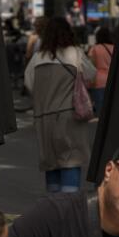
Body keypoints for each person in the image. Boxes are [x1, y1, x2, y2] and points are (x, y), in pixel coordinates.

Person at [25, 16, 95, 194]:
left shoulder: (38, 57)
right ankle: (68, 207)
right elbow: (91, 74)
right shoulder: (75, 53)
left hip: (44, 117)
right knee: (70, 160)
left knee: (52, 163)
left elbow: (29, 83)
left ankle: (54, 207)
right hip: (68, 116)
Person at [86, 25, 114, 116]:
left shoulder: (94, 49)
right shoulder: (114, 47)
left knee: (100, 111)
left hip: (99, 83)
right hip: (113, 81)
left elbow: (90, 67)